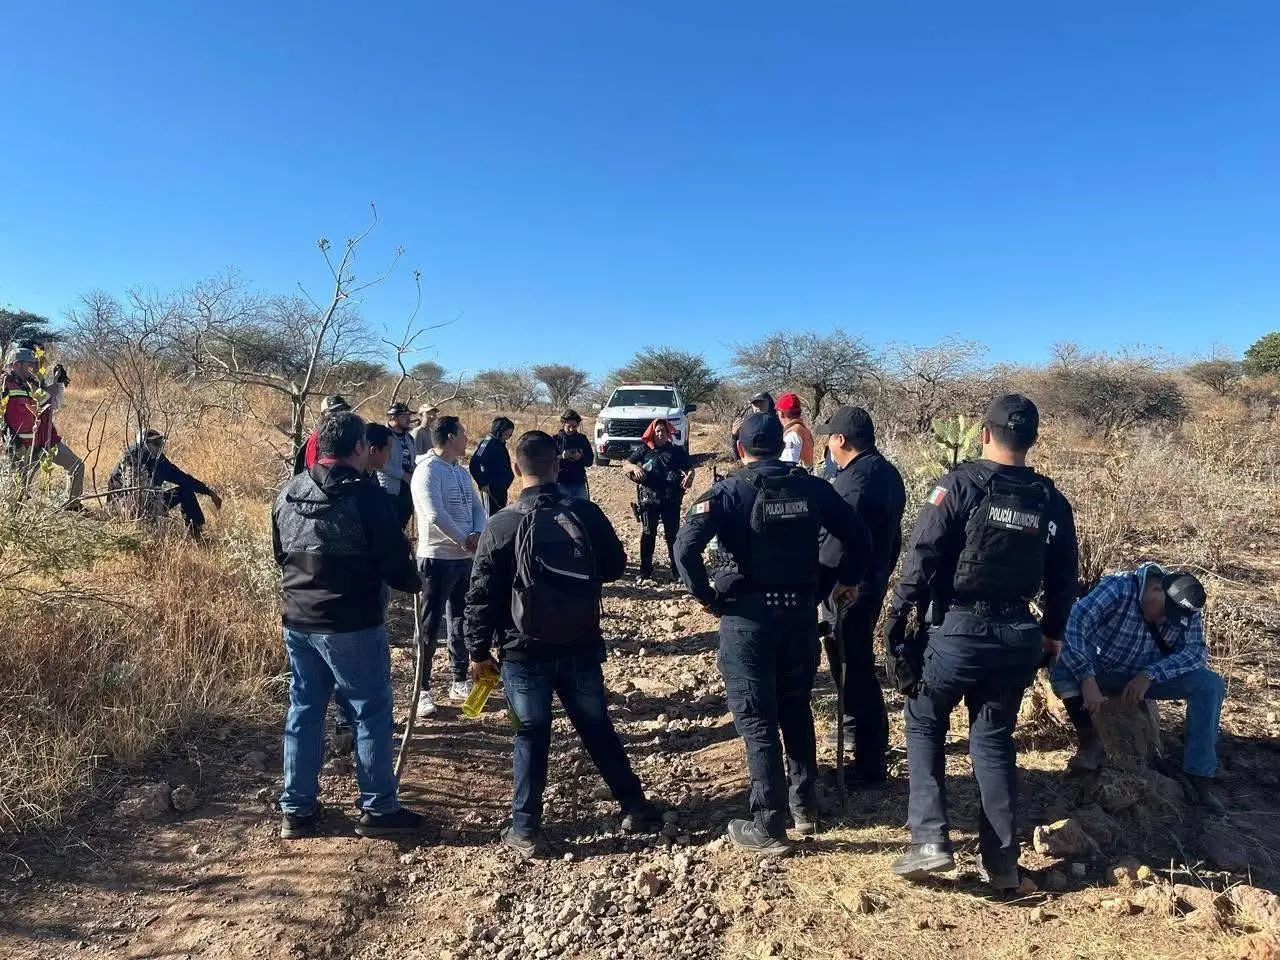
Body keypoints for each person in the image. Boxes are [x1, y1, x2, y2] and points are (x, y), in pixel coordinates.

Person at [883, 394, 1078, 892]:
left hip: (957, 631)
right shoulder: (1051, 501)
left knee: (924, 718)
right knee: (992, 742)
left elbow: (922, 552)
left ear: (983, 433)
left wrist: (897, 613)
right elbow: (1063, 578)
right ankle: (1004, 864)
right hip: (1018, 635)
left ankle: (929, 840)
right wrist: (1052, 633)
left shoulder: (960, 484)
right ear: (1031, 439)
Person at [672, 413, 872, 855]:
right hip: (800, 616)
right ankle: (805, 807)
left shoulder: (726, 491)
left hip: (748, 621)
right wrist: (846, 581)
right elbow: (859, 536)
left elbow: (684, 548)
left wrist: (705, 596)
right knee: (795, 709)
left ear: (740, 449)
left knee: (757, 719)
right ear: (780, 447)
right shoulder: (814, 487)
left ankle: (767, 823)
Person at [465, 430, 662, 857]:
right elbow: (614, 566)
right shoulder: (585, 514)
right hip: (580, 642)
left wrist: (477, 652)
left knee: (530, 734)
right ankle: (634, 805)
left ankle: (525, 829)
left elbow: (480, 596)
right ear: (557, 464)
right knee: (596, 726)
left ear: (517, 469)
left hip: (522, 651)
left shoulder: (500, 524)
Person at [272, 411, 425, 839]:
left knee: (304, 711)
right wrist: (417, 581)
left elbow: (280, 554)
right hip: (352, 624)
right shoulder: (367, 496)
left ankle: (297, 810)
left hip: (299, 620)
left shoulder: (288, 491)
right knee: (369, 710)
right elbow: (396, 568)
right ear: (359, 448)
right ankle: (378, 808)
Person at [1052, 564, 1224, 812]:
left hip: (1147, 676)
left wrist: (1150, 674)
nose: (1166, 620)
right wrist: (1087, 677)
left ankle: (1200, 775)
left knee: (1210, 684)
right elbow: (1074, 623)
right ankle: (1089, 743)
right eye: (1165, 612)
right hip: (1101, 670)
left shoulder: (1186, 606)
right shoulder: (1119, 588)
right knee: (1061, 665)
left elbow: (1195, 652)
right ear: (1156, 589)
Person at [813, 406, 906, 787]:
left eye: (829, 438)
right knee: (854, 665)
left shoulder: (853, 483)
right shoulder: (887, 472)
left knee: (853, 670)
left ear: (840, 440)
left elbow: (837, 543)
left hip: (849, 588)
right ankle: (862, 741)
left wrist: (824, 583)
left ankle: (869, 762)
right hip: (872, 579)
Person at [411, 415, 488, 715]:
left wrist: (477, 534)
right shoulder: (427, 471)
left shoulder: (460, 470)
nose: (467, 437)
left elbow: (477, 506)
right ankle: (423, 689)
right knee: (428, 626)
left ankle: (459, 679)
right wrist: (462, 539)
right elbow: (433, 513)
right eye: (463, 432)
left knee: (461, 620)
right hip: (436, 558)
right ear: (450, 436)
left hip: (464, 559)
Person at [2, 346, 84, 507]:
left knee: (77, 466)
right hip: (20, 447)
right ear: (17, 365)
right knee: (18, 491)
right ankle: (12, 522)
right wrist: (8, 440)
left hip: (46, 440)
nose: (32, 368)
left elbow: (53, 402)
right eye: (28, 364)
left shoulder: (32, 385)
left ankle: (72, 507)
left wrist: (58, 382)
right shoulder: (5, 385)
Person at [107, 429, 223, 537]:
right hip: (128, 510)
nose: (160, 446)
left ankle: (196, 533)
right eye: (156, 443)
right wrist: (118, 513)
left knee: (185, 491)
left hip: (154, 504)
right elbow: (114, 487)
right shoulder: (130, 458)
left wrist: (208, 491)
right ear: (144, 443)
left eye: (161, 442)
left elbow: (183, 479)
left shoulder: (160, 461)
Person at [624, 419, 695, 582]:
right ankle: (645, 572)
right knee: (648, 534)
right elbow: (625, 464)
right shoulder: (644, 450)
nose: (660, 433)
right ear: (653, 433)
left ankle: (677, 572)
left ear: (668, 433)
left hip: (671, 499)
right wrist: (635, 467)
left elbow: (690, 468)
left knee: (673, 536)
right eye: (657, 431)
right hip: (649, 499)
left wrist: (690, 476)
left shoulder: (676, 451)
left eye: (663, 430)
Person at [377, 402, 417, 528]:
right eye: (404, 416)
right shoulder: (382, 435)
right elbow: (379, 464)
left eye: (408, 415)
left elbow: (413, 461)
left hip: (407, 491)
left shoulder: (409, 438)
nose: (408, 419)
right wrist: (403, 475)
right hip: (388, 491)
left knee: (401, 528)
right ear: (393, 418)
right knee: (388, 529)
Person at [293, 395, 351, 475]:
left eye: (343, 410)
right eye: (335, 412)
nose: (340, 415)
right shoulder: (316, 439)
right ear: (324, 415)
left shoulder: (348, 435)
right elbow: (313, 472)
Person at [470, 416, 516, 514]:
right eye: (507, 434)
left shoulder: (500, 443)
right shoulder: (487, 443)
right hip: (490, 489)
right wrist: (483, 483)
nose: (508, 437)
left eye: (510, 435)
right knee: (489, 517)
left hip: (501, 488)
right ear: (499, 431)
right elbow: (474, 463)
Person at [554, 409, 593, 501]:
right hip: (561, 482)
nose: (571, 429)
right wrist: (561, 457)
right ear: (563, 424)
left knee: (582, 510)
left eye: (574, 427)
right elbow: (547, 461)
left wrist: (580, 457)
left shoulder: (582, 439)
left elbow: (590, 461)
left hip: (579, 482)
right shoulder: (555, 440)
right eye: (569, 426)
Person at [730, 392, 774, 460]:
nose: (758, 406)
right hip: (754, 466)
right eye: (755, 403)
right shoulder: (748, 424)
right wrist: (734, 436)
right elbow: (737, 456)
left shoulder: (778, 422)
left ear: (769, 403)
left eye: (761, 402)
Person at [777, 393, 815, 470]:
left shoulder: (792, 434)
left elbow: (788, 465)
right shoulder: (804, 430)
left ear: (781, 413)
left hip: (796, 479)